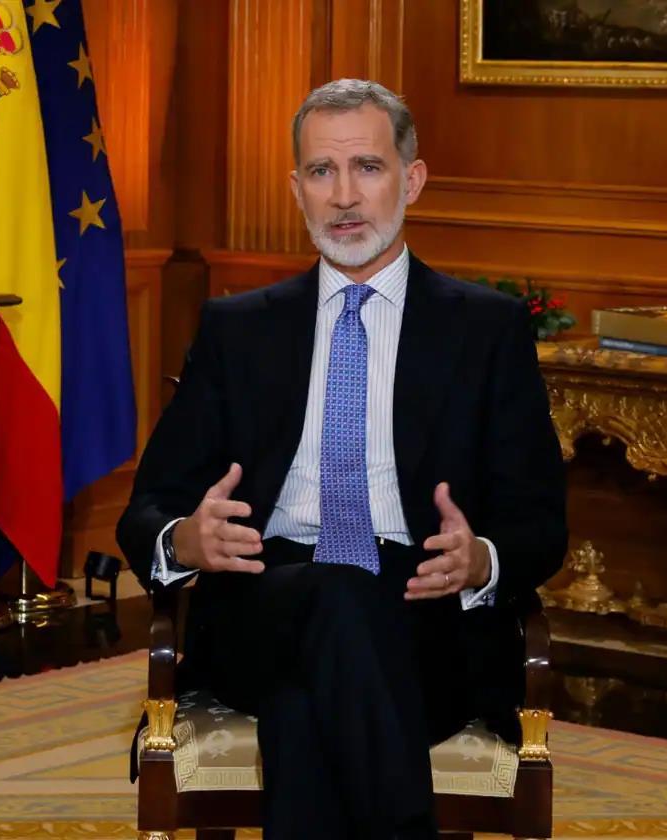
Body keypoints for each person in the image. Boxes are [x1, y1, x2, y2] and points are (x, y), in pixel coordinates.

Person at [117, 79, 567, 839]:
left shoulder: (485, 332)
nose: (345, 196)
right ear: (297, 189)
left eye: (368, 166)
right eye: (322, 173)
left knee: (305, 701)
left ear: (412, 180)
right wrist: (184, 542)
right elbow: (148, 508)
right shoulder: (239, 330)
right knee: (335, 598)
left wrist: (481, 560)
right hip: (267, 596)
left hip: (423, 609)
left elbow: (541, 523)